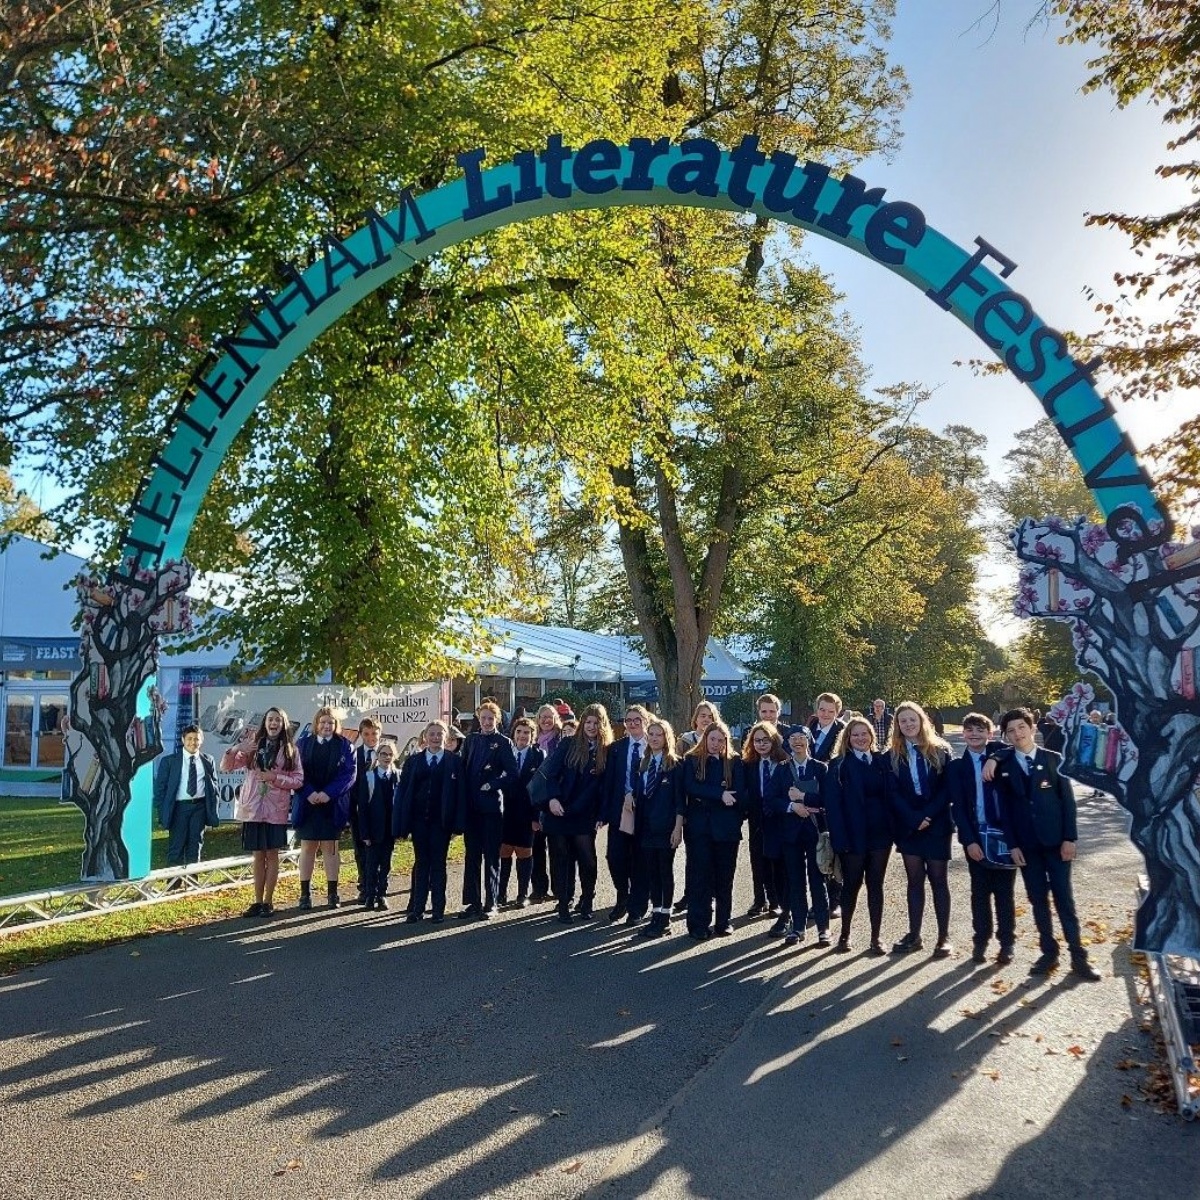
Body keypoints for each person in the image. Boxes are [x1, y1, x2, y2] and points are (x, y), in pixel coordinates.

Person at [987, 707, 1101, 980]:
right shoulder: (1004, 766)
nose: (1017, 734)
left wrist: (1070, 838)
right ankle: (1049, 952)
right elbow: (1005, 810)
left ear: (1033, 728)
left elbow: (1068, 803)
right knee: (1038, 899)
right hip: (1026, 847)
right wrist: (1013, 845)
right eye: (1011, 731)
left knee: (1064, 900)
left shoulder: (1053, 760)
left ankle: (1079, 957)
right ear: (1006, 736)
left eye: (1022, 728)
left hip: (1057, 844)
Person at [885, 700, 954, 957]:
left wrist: (927, 815)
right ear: (898, 726)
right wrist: (914, 818)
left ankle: (943, 937)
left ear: (922, 720)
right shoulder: (891, 755)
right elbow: (892, 794)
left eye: (912, 719)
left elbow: (947, 789)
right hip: (909, 828)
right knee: (914, 882)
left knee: (938, 881)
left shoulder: (941, 751)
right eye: (903, 721)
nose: (908, 724)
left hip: (937, 825)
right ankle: (914, 935)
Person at [222, 708, 304, 917]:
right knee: (258, 856)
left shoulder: (290, 750)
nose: (273, 723)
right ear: (265, 723)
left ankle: (268, 901)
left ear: (283, 724)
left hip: (275, 810)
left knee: (272, 854)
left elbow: (298, 780)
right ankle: (257, 901)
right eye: (270, 719)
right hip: (253, 809)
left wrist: (274, 778)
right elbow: (227, 767)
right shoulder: (252, 745)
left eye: (277, 720)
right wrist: (235, 748)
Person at [949, 713, 1016, 964]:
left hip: (1004, 835)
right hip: (976, 835)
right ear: (963, 734)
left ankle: (1007, 942)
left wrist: (995, 758)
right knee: (979, 892)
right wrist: (969, 841)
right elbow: (958, 807)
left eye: (980, 730)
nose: (974, 734)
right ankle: (981, 940)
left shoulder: (1002, 755)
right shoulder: (957, 767)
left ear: (990, 733)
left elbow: (1015, 748)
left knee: (1004, 892)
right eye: (969, 730)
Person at [537, 703, 613, 922]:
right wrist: (552, 799)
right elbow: (550, 774)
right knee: (561, 859)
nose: (591, 726)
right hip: (559, 810)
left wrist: (602, 814)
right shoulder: (569, 744)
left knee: (587, 859)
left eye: (596, 723)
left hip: (585, 813)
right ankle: (563, 904)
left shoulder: (606, 751)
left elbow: (605, 787)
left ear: (603, 725)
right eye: (588, 722)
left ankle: (587, 901)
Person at [825, 716, 892, 955]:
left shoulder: (882, 762)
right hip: (852, 837)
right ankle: (844, 935)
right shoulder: (839, 765)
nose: (861, 738)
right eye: (856, 734)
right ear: (848, 738)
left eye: (865, 734)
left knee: (876, 885)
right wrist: (839, 840)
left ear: (872, 736)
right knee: (851, 885)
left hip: (880, 836)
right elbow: (832, 806)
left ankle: (876, 938)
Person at [680, 719, 745, 940]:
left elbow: (741, 794)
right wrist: (719, 794)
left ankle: (723, 922)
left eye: (721, 740)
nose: (716, 744)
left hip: (726, 830)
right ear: (705, 737)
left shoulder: (734, 762)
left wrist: (730, 809)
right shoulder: (691, 760)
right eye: (712, 739)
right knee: (700, 878)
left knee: (725, 878)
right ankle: (698, 924)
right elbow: (690, 787)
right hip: (699, 830)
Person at [767, 726, 831, 948]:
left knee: (818, 881)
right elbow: (771, 800)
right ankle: (798, 927)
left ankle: (823, 929)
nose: (797, 742)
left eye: (802, 738)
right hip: (790, 834)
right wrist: (791, 806)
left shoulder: (821, 768)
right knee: (795, 881)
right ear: (787, 743)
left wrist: (805, 797)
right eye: (793, 738)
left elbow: (828, 799)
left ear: (809, 741)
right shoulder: (782, 770)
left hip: (815, 833)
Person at [395, 720, 463, 922]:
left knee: (438, 864)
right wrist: (401, 823)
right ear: (425, 737)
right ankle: (417, 909)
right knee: (421, 863)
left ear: (446, 737)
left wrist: (457, 825)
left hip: (441, 823)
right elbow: (403, 793)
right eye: (431, 734)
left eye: (439, 734)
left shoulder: (454, 762)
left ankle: (438, 910)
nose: (435, 737)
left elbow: (460, 795)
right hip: (418, 822)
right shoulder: (414, 761)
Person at [293, 706, 357, 910]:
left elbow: (349, 775)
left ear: (336, 725)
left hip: (332, 804)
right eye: (323, 722)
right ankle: (305, 894)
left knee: (330, 848)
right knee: (308, 847)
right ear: (316, 724)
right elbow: (296, 772)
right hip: (308, 803)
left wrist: (328, 793)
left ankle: (332, 894)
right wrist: (309, 792)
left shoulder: (346, 746)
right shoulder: (302, 744)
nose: (326, 726)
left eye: (330, 722)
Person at [459, 699, 518, 919]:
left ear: (497, 720)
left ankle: (491, 902)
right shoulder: (471, 740)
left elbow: (512, 774)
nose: (486, 722)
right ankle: (472, 902)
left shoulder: (503, 742)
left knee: (491, 855)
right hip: (471, 807)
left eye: (490, 718)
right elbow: (463, 769)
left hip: (492, 807)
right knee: (472, 855)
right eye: (483, 718)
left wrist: (492, 784)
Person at [602, 704, 653, 925]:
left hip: (645, 813)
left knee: (641, 860)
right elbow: (609, 782)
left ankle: (638, 907)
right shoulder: (616, 748)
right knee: (615, 857)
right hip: (619, 811)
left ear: (645, 721)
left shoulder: (653, 746)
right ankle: (622, 896)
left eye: (637, 720)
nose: (632, 723)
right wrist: (603, 813)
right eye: (629, 720)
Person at [635, 718, 684, 937]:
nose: (655, 739)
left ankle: (666, 917)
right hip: (646, 826)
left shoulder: (675, 764)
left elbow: (680, 800)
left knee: (665, 871)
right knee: (652, 872)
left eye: (659, 735)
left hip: (666, 827)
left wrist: (677, 828)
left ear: (667, 738)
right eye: (651, 735)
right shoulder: (643, 763)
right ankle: (655, 914)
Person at [742, 721, 790, 935]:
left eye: (765, 740)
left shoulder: (783, 762)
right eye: (757, 741)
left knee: (777, 862)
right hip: (757, 818)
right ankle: (760, 898)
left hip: (778, 818)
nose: (761, 745)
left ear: (774, 741)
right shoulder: (749, 764)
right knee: (757, 859)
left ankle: (777, 901)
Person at [153, 724, 220, 873]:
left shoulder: (208, 760)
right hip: (179, 808)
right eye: (189, 739)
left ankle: (191, 883)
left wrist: (212, 809)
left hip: (199, 808)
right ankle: (173, 884)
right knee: (176, 846)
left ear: (201, 741)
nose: (193, 742)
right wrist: (161, 812)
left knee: (195, 846)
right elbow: (160, 789)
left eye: (196, 739)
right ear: (183, 740)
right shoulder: (170, 761)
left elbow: (214, 785)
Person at [808, 692, 846, 920]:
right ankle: (818, 901)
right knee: (815, 853)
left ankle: (835, 901)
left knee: (832, 851)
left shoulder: (843, 732)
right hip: (809, 799)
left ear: (837, 712)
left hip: (831, 799)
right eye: (822, 710)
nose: (825, 714)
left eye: (831, 711)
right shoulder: (809, 730)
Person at [499, 716, 542, 908]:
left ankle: (522, 894)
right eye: (519, 732)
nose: (522, 736)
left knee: (524, 853)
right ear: (513, 734)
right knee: (504, 852)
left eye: (526, 732)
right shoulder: (504, 752)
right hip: (505, 812)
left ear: (533, 735)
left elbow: (541, 788)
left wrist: (536, 817)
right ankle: (500, 894)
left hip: (527, 814)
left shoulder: (539, 755)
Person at [358, 739, 400, 910]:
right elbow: (362, 807)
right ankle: (369, 895)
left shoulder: (398, 775)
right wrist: (364, 833)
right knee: (371, 864)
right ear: (377, 755)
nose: (387, 757)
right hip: (373, 829)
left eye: (390, 754)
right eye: (383, 754)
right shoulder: (369, 777)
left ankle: (382, 894)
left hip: (390, 829)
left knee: (386, 863)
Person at [529, 704, 563, 902]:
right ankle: (539, 888)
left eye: (550, 717)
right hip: (535, 798)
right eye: (542, 717)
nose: (546, 720)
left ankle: (560, 890)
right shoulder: (533, 739)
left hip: (554, 797)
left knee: (557, 847)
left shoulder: (560, 740)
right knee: (537, 846)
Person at [348, 717, 381, 904]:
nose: (371, 737)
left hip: (380, 813)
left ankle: (379, 886)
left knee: (381, 849)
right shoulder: (355, 754)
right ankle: (364, 886)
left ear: (379, 734)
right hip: (358, 812)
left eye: (374, 734)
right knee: (360, 850)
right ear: (360, 735)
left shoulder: (386, 754)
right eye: (366, 734)